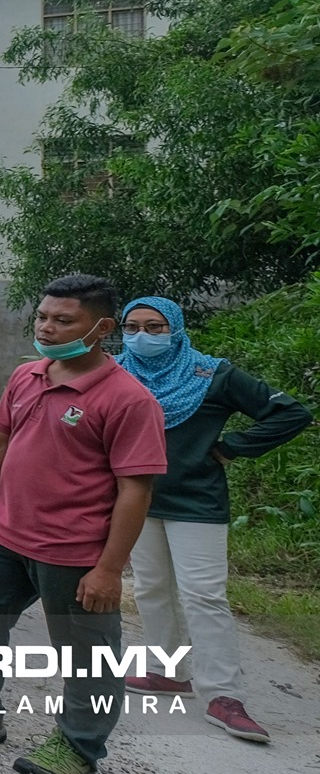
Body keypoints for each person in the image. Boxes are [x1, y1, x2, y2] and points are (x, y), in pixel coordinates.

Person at [0, 274, 166, 774]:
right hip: (4, 535)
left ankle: (77, 746)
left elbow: (135, 490)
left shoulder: (129, 401)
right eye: (43, 318)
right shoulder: (28, 376)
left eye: (63, 320)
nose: (47, 329)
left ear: (101, 328)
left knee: (87, 654)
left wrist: (110, 568)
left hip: (73, 551)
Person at [117, 296, 311, 743]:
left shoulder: (212, 373)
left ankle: (224, 695)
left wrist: (230, 447)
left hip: (197, 502)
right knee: (150, 587)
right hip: (134, 500)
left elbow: (291, 412)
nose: (142, 336)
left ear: (176, 329)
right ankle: (168, 671)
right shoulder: (116, 372)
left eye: (154, 326)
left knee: (204, 595)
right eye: (132, 327)